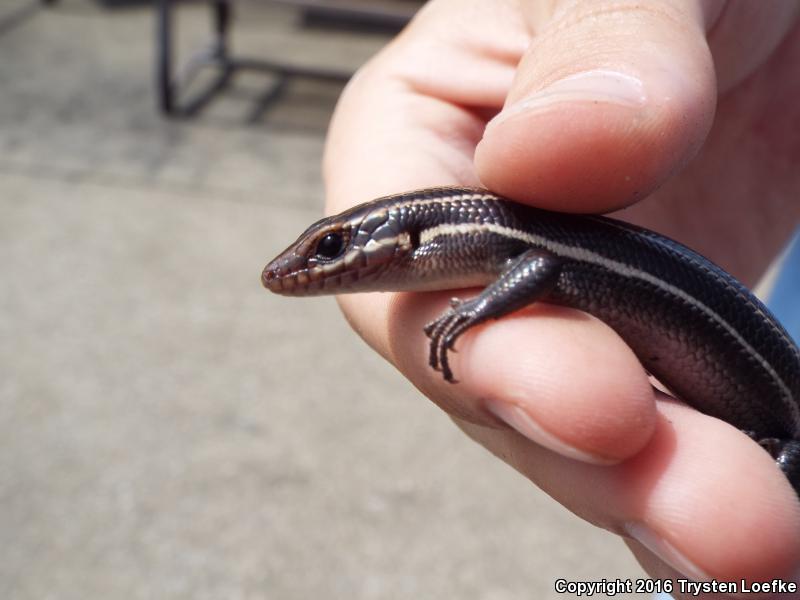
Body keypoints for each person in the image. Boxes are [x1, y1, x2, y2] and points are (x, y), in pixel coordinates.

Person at [322, 0, 800, 590]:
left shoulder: (506, 240)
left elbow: (542, 265)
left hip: (783, 428)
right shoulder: (494, 232)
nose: (320, 265)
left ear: (407, 234)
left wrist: (478, 309)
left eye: (333, 247)